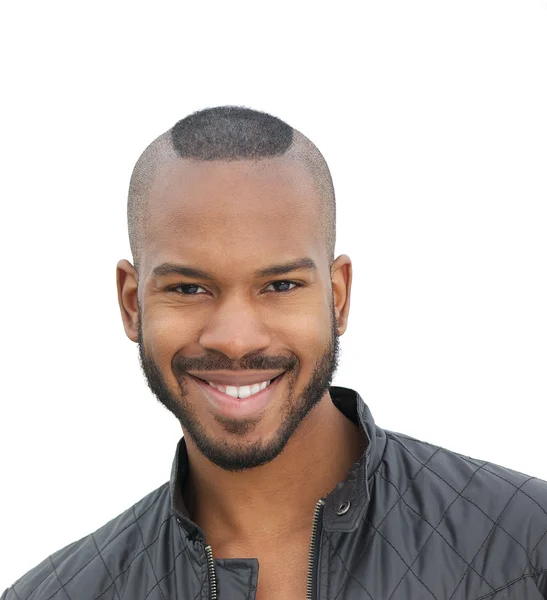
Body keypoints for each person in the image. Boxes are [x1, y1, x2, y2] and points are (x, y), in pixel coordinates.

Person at [3, 106, 547, 600]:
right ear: (131, 303)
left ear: (337, 297)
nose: (236, 339)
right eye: (189, 289)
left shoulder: (528, 548)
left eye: (280, 286)